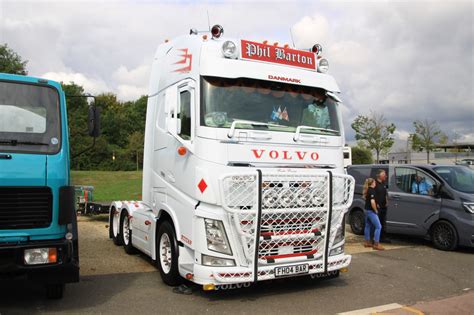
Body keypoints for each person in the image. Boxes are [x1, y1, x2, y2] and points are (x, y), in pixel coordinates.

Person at [362, 178, 384, 250]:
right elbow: (372, 202)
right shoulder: (372, 191)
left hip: (366, 210)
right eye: (374, 182)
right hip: (371, 211)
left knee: (367, 226)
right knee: (378, 226)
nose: (375, 183)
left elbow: (369, 200)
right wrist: (375, 210)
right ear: (372, 183)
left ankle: (367, 242)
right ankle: (376, 244)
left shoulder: (368, 190)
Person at [374, 169, 390, 243]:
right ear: (379, 176)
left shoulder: (383, 183)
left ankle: (383, 237)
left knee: (383, 222)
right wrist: (376, 203)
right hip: (378, 207)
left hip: (384, 206)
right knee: (377, 223)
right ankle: (376, 239)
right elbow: (372, 195)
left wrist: (386, 201)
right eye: (384, 175)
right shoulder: (375, 183)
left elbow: (385, 193)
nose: (385, 176)